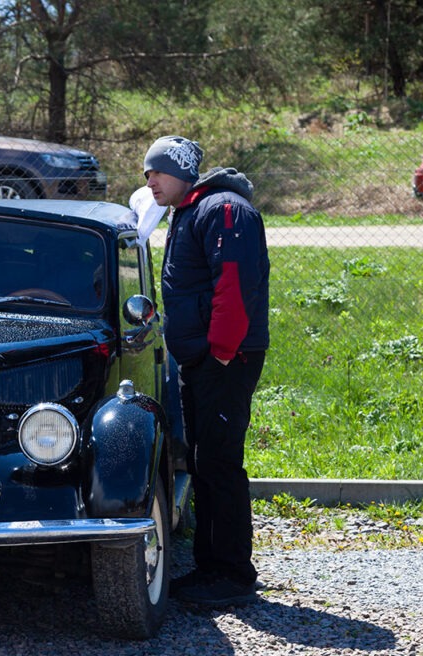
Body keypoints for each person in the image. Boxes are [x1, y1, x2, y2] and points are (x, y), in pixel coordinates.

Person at [143, 136, 269, 607]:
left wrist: (219, 351)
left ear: (180, 171)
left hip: (225, 359)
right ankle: (210, 566)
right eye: (146, 174)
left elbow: (235, 285)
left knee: (219, 463)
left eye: (156, 171)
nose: (150, 180)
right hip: (203, 359)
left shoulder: (224, 209)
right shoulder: (190, 210)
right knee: (202, 461)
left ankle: (233, 574)